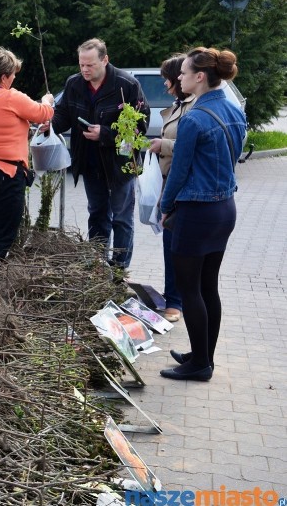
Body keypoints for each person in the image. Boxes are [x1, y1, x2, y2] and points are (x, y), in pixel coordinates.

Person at [159, 47, 246, 382]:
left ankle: (199, 366)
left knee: (190, 288)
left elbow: (178, 172)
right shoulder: (232, 108)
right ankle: (202, 354)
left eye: (183, 73)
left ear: (199, 76)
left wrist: (166, 207)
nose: (178, 78)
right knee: (209, 286)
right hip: (225, 208)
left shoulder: (194, 118)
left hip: (196, 212)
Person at [49, 38, 149, 269]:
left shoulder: (127, 85)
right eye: (81, 64)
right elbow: (64, 115)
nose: (84, 69)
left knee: (122, 219)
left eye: (90, 65)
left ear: (105, 60)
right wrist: (49, 125)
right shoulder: (74, 84)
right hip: (90, 163)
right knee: (97, 215)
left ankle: (118, 271)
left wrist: (105, 133)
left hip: (120, 164)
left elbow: (139, 129)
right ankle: (97, 267)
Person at [0, 47, 54, 293]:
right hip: (6, 174)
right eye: (13, 74)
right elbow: (43, 113)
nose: (15, 78)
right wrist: (47, 100)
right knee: (3, 235)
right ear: (4, 76)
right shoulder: (10, 97)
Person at [147, 54, 196, 323]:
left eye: (170, 77)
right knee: (170, 243)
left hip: (182, 187)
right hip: (169, 181)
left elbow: (193, 148)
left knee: (176, 244)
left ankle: (177, 301)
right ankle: (174, 297)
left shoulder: (194, 108)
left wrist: (163, 145)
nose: (167, 84)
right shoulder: (179, 104)